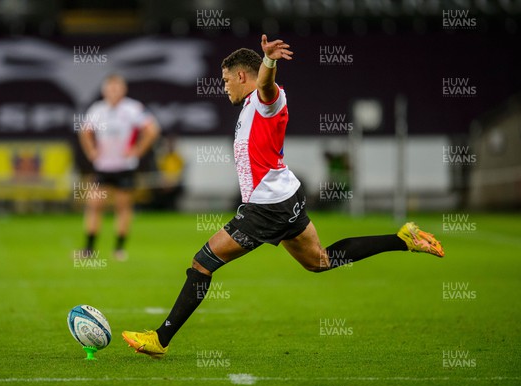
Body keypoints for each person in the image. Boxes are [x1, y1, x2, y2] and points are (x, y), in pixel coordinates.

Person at [122, 35, 444, 357]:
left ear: (242, 76)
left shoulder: (265, 99)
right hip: (285, 195)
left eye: (225, 80)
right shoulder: (250, 107)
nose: (223, 87)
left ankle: (160, 339)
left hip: (267, 206)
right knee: (320, 261)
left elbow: (267, 85)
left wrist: (269, 61)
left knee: (202, 263)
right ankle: (403, 238)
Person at [79, 74, 160, 261]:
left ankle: (119, 249)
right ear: (104, 90)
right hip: (103, 167)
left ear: (123, 90)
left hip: (125, 167)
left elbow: (152, 129)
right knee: (94, 205)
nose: (113, 91)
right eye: (110, 88)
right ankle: (89, 249)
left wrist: (138, 150)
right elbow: (84, 131)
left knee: (123, 208)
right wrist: (91, 150)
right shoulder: (97, 110)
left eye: (117, 88)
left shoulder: (132, 108)